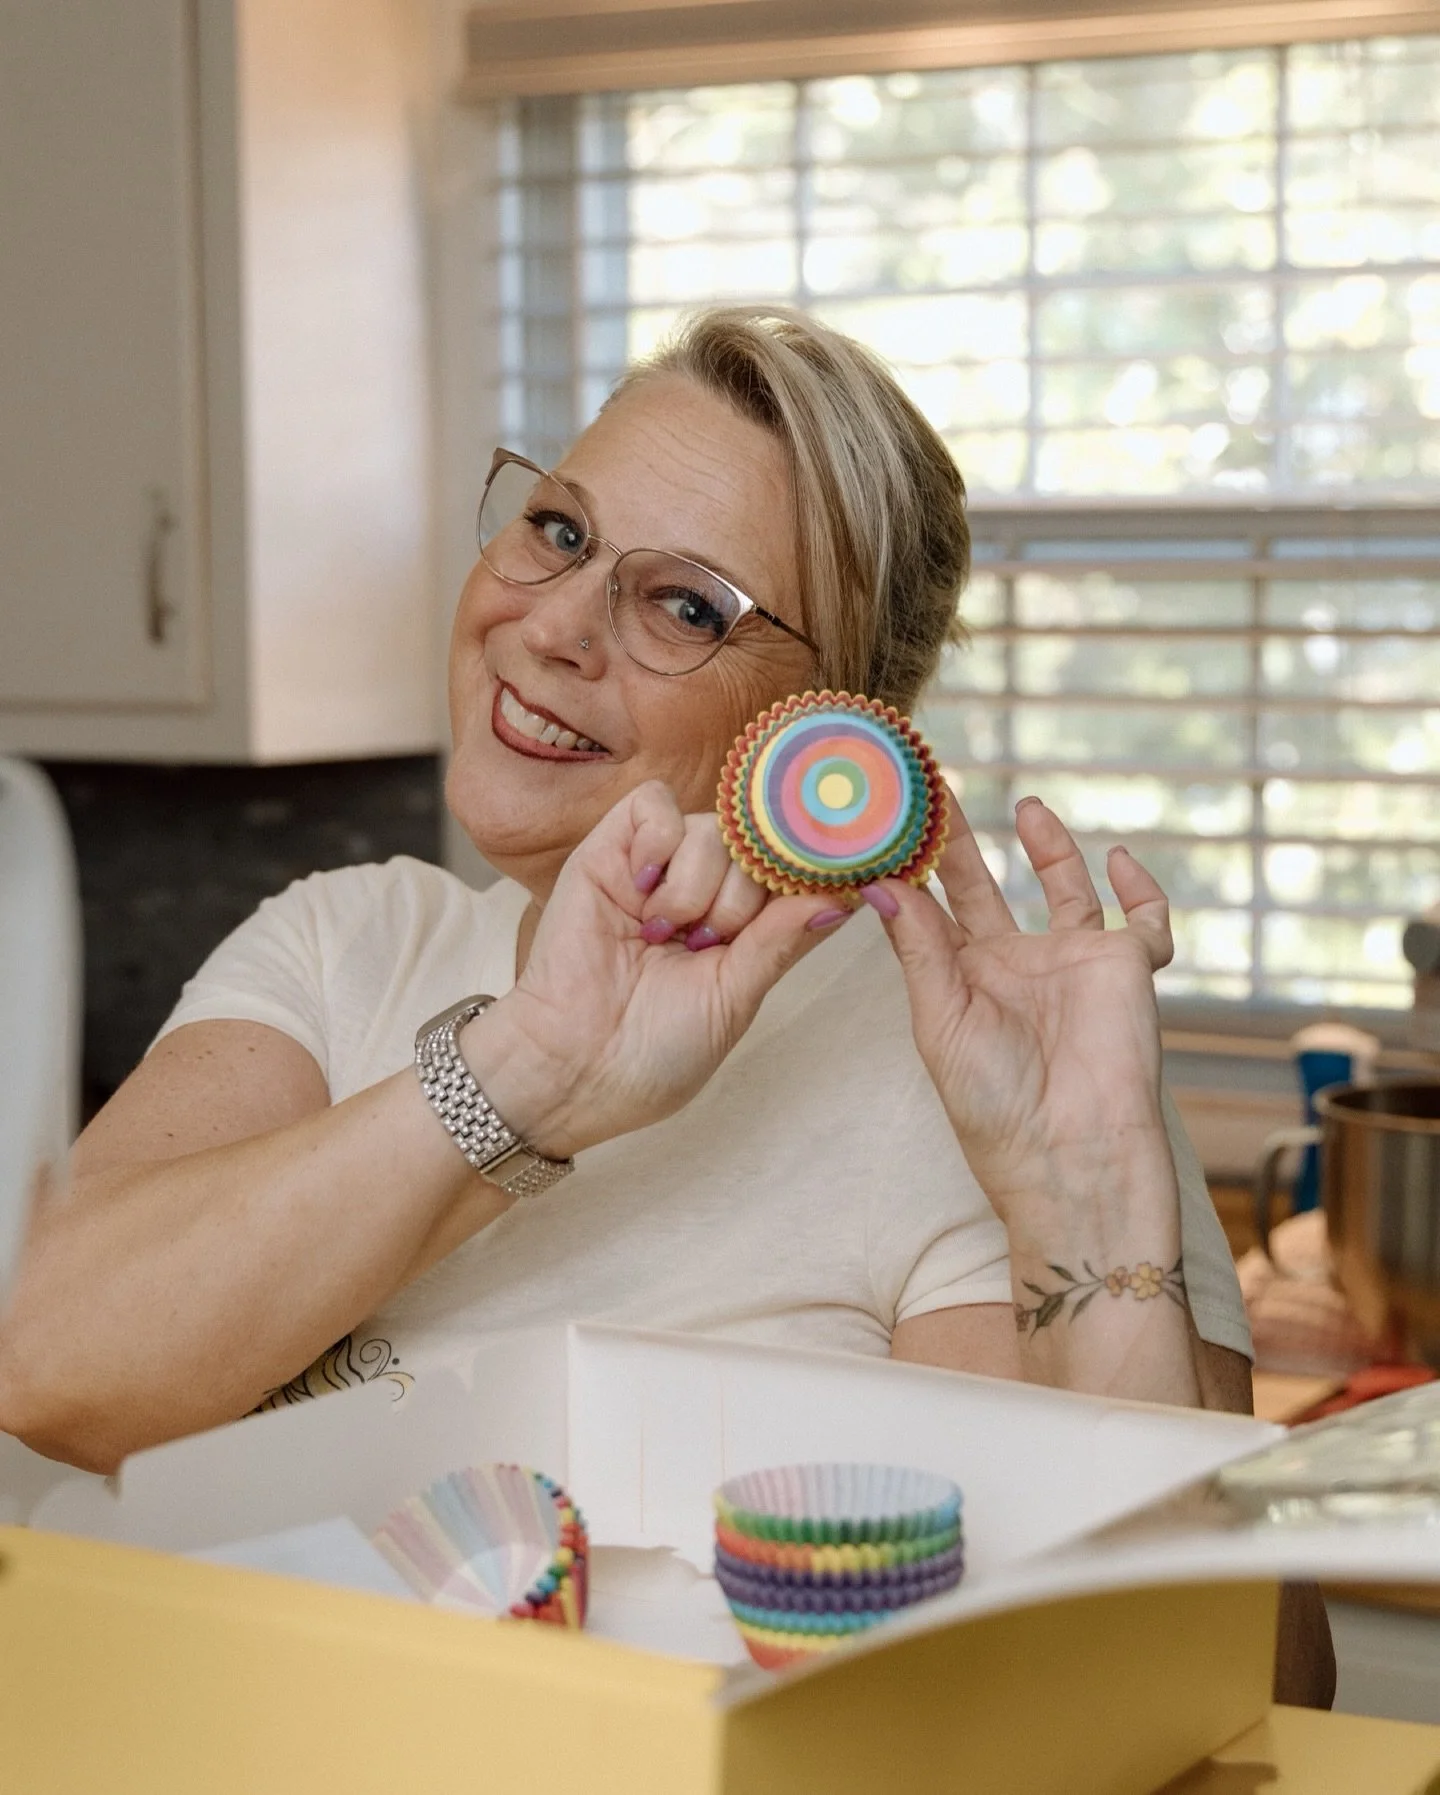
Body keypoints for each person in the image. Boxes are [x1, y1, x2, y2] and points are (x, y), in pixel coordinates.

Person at [0, 305, 1330, 1700]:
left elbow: (1229, 1710)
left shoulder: (974, 1072)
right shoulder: (347, 939)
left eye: (683, 605)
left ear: (831, 726)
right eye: (561, 532)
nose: (557, 624)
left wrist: (1082, 1202)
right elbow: (50, 1367)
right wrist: (523, 1078)